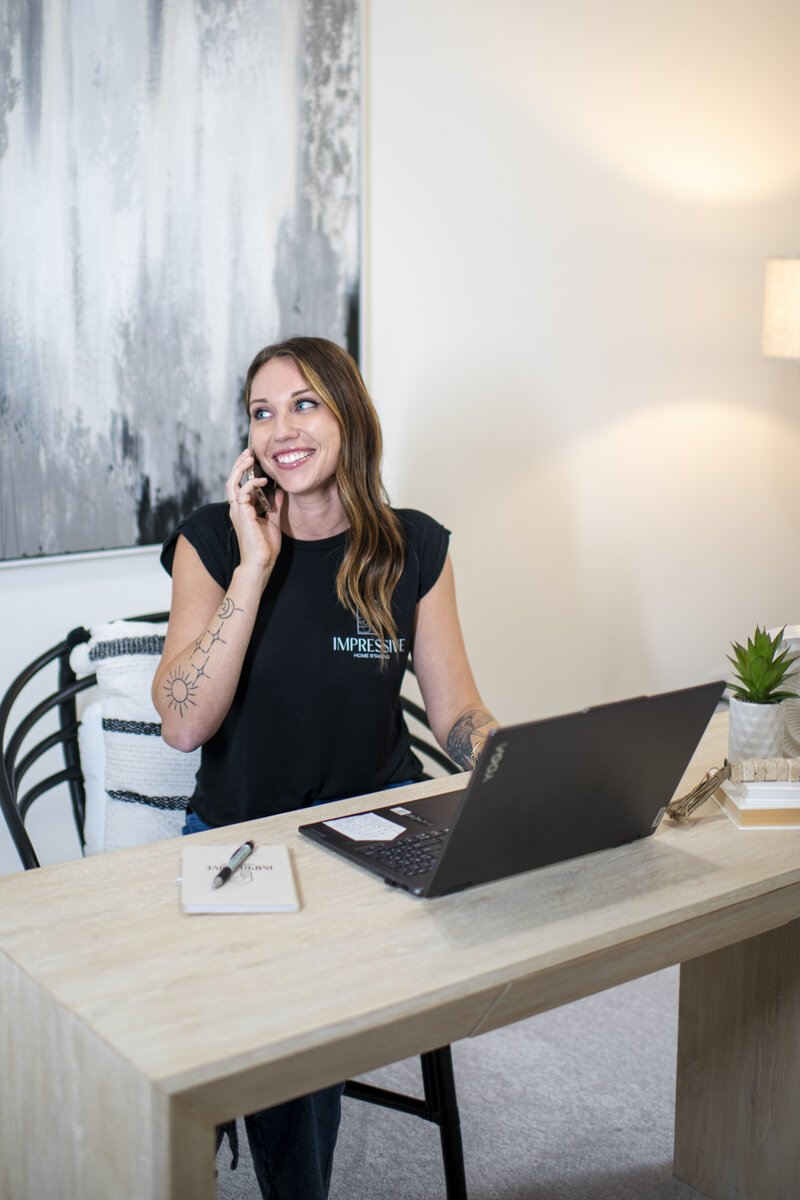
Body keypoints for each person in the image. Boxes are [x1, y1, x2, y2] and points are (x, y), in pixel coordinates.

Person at [153, 336, 498, 1200]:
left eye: (304, 403)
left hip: (374, 831)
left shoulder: (414, 547)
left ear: (348, 414)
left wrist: (511, 762)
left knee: (516, 909)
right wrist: (255, 566)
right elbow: (184, 723)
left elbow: (456, 712)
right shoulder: (212, 540)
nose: (282, 430)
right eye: (261, 413)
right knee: (289, 1001)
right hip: (242, 836)